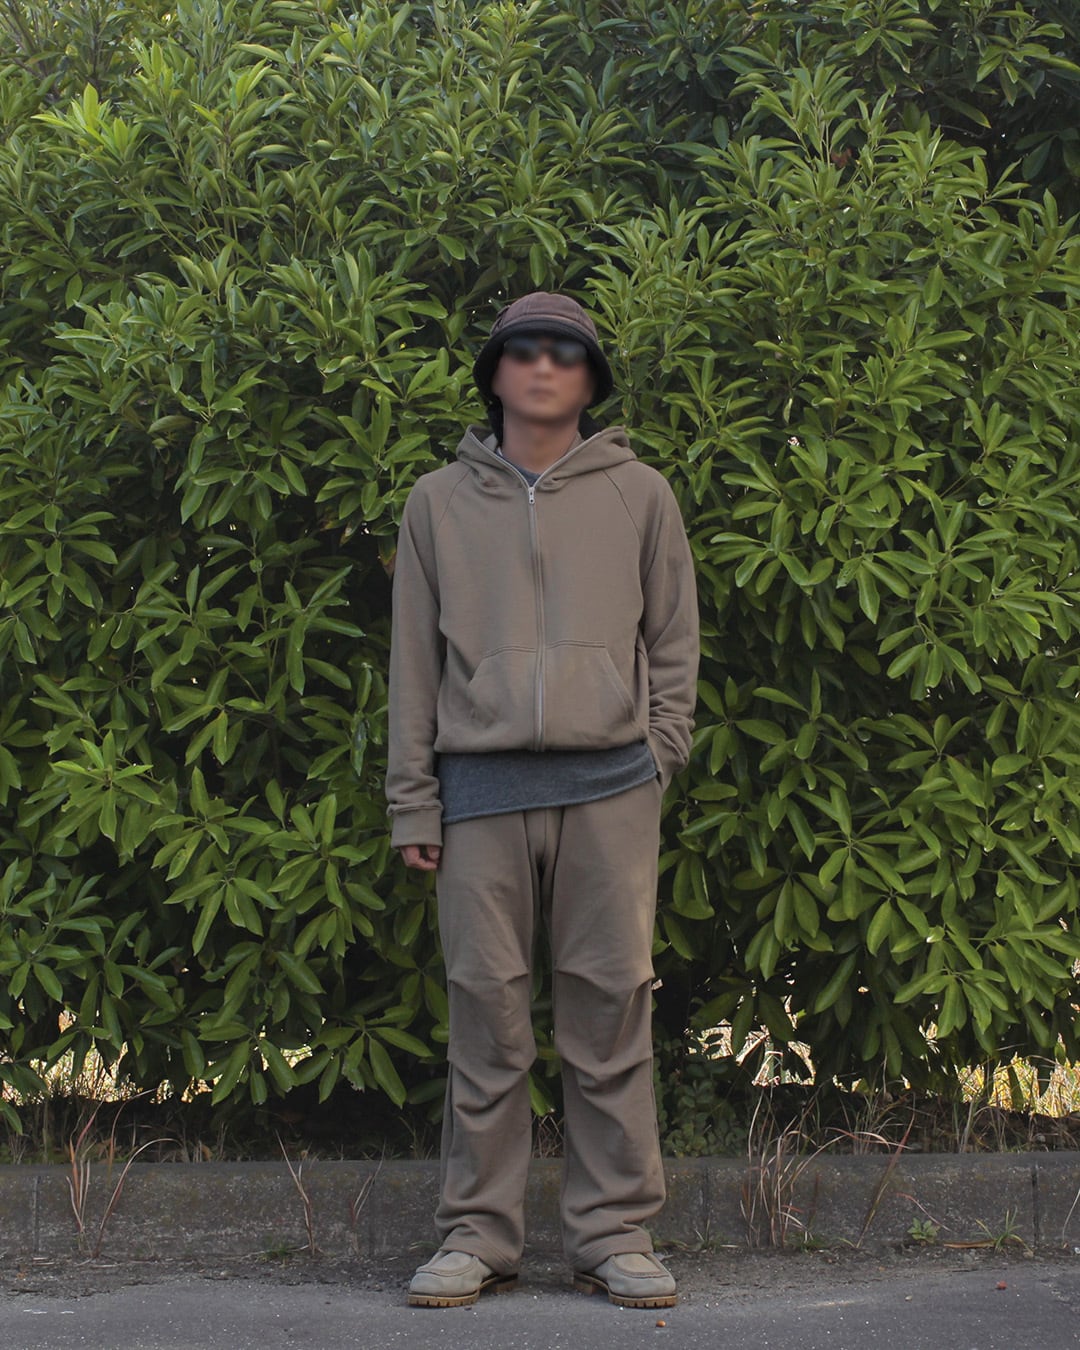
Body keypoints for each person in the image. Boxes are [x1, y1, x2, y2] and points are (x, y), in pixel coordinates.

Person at [385, 292, 699, 1309]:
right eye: (523, 348)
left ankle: (614, 1234)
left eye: (566, 350)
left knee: (609, 1015)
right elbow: (413, 665)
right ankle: (478, 1235)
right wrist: (413, 803)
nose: (544, 364)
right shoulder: (438, 502)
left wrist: (657, 757)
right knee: (486, 1021)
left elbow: (673, 642)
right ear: (496, 372)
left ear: (591, 376)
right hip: (478, 797)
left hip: (610, 792)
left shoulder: (640, 493)